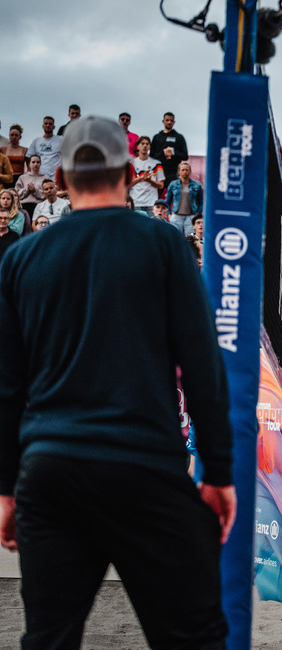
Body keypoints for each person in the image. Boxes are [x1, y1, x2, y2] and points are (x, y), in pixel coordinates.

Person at [0, 116, 234, 648]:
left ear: (59, 182)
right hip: (144, 468)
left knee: (48, 639)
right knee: (194, 637)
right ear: (131, 173)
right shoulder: (164, 245)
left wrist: (6, 488)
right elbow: (201, 367)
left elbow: (7, 389)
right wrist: (219, 472)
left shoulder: (19, 260)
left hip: (51, 471)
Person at [150, 112, 189, 191]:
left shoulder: (179, 137)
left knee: (174, 195)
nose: (169, 122)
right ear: (163, 121)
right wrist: (163, 153)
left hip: (173, 172)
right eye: (167, 120)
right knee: (158, 196)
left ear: (174, 122)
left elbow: (185, 156)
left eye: (171, 120)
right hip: (159, 171)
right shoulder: (157, 137)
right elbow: (151, 156)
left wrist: (173, 152)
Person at [166, 161, 203, 236]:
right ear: (179, 171)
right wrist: (169, 214)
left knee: (190, 239)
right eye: (182, 170)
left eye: (187, 170)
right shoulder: (173, 184)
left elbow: (201, 202)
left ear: (190, 171)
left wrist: (197, 214)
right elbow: (167, 201)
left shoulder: (197, 185)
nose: (185, 172)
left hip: (191, 216)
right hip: (176, 216)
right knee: (175, 238)